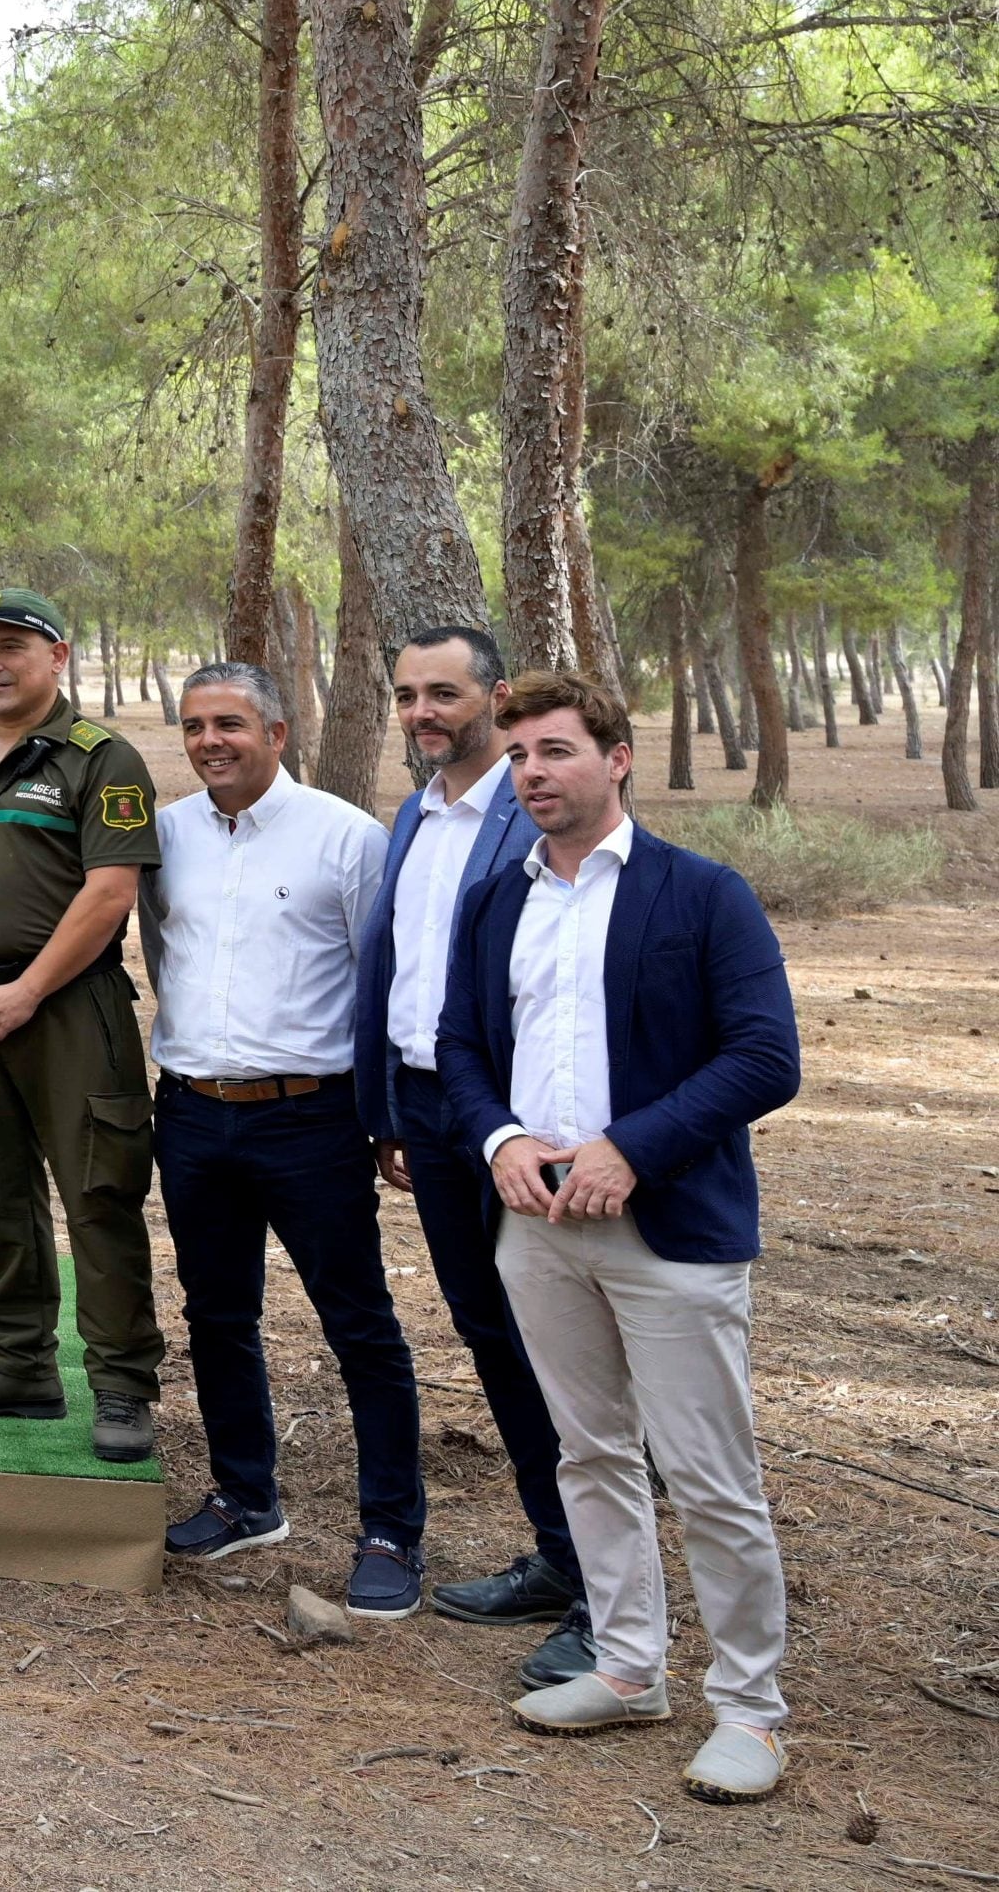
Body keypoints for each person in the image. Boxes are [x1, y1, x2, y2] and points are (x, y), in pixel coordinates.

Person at [439, 672, 801, 1804]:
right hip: (533, 1227)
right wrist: (496, 1136)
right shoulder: (497, 898)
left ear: (615, 757)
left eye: (555, 749)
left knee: (707, 1476)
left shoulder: (701, 894)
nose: (533, 772)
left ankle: (748, 1710)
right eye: (518, 756)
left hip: (669, 1230)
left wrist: (629, 1147)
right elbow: (455, 1045)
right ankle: (628, 1665)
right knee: (586, 1452)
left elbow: (762, 1057)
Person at [144, 663, 421, 1618]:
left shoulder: (348, 837)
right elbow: (159, 947)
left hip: (311, 1114)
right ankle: (246, 1495)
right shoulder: (168, 833)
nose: (210, 740)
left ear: (278, 729)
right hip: (189, 1110)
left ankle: (390, 1528)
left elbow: (380, 981)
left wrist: (386, 1117)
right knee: (217, 1315)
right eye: (194, 725)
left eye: (230, 723)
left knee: (360, 1327)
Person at [360, 624, 593, 1688]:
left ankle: (608, 1595)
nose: (421, 713)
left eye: (443, 694)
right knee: (491, 1331)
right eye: (407, 695)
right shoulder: (413, 813)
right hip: (426, 1108)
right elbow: (397, 971)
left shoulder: (535, 808)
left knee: (565, 1350)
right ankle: (559, 1553)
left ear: (493, 699)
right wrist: (387, 1111)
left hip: (514, 1119)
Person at [0, 588, 165, 1460]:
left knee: (98, 1194)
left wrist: (30, 989)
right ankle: (15, 1361)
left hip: (69, 1010)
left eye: (13, 645)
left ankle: (122, 1384)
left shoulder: (104, 758)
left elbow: (110, 891)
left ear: (58, 654)